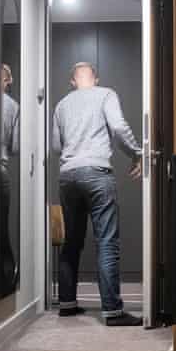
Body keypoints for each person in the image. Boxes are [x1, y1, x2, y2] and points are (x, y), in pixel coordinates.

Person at [52, 62, 143, 326]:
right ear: (96, 78)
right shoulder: (105, 94)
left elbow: (57, 146)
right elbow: (118, 127)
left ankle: (67, 304)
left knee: (72, 241)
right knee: (106, 241)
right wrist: (136, 153)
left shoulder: (61, 105)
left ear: (73, 81)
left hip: (68, 175)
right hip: (96, 171)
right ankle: (112, 311)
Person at [0, 64, 20, 297]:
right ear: (7, 81)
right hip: (0, 169)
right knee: (1, 228)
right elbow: (15, 147)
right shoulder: (13, 106)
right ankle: (5, 284)